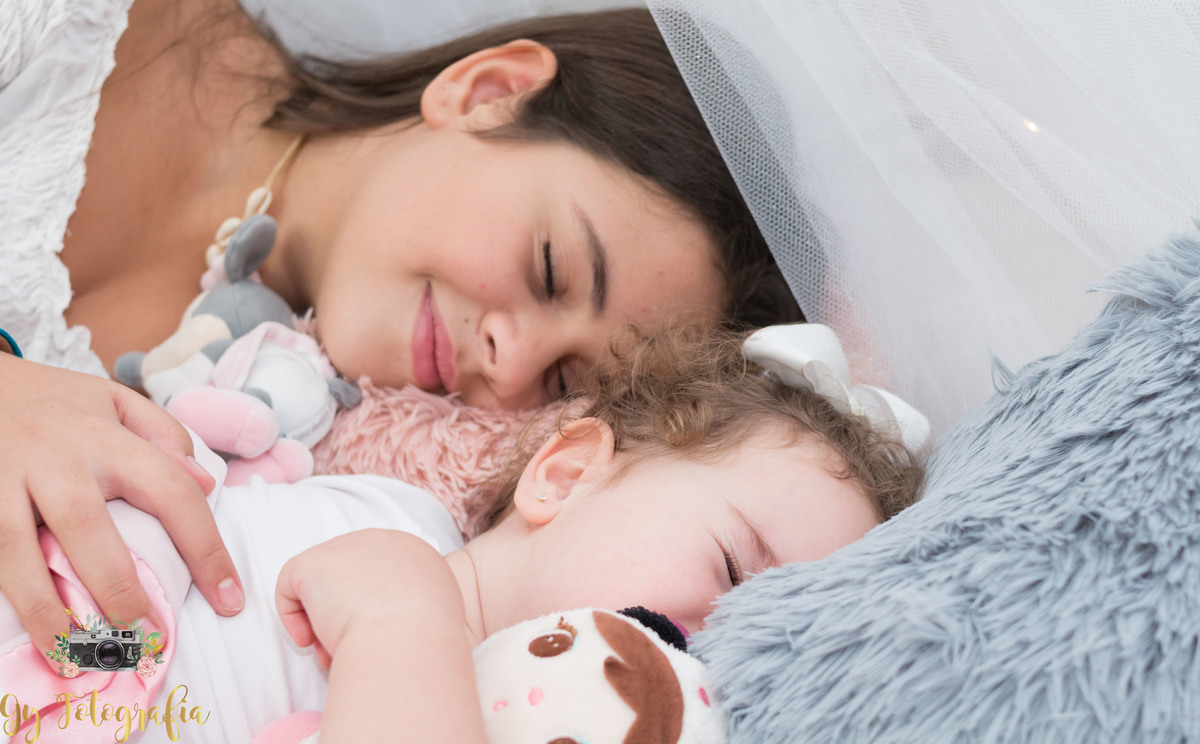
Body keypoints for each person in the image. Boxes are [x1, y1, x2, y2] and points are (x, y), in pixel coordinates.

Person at [0, 0, 801, 662]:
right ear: (487, 90)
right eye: (550, 269)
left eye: (564, 382)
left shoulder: (305, 460)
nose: (512, 364)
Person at [0, 327, 923, 742]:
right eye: (731, 567)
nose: (716, 631)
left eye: (760, 641)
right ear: (564, 475)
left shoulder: (546, 716)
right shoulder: (388, 510)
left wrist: (404, 623)